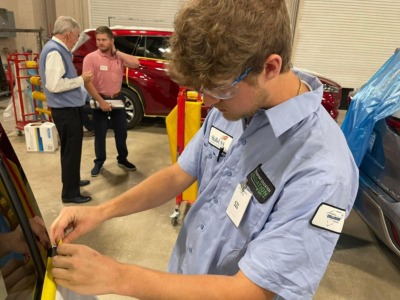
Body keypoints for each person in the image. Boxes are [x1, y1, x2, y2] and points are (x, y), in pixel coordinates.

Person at [49, 1, 358, 299]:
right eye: (202, 89)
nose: (208, 102)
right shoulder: (236, 105)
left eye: (219, 89)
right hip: (185, 279)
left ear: (270, 67)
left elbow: (251, 291)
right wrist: (102, 212)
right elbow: (179, 174)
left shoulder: (323, 170)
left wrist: (118, 277)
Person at [39, 16, 93, 204]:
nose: (77, 40)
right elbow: (54, 85)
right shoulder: (55, 51)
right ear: (68, 34)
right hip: (66, 110)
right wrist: (81, 80)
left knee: (71, 150)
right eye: (77, 36)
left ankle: (73, 182)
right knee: (71, 151)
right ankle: (70, 193)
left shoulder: (59, 50)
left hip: (68, 109)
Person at [82, 26, 140, 177]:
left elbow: (136, 63)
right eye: (98, 40)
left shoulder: (118, 57)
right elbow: (87, 83)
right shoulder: (91, 58)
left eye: (104, 40)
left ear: (111, 40)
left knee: (121, 133)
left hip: (118, 99)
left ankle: (122, 159)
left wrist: (118, 52)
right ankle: (99, 162)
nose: (100, 43)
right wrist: (101, 102)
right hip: (100, 99)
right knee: (100, 134)